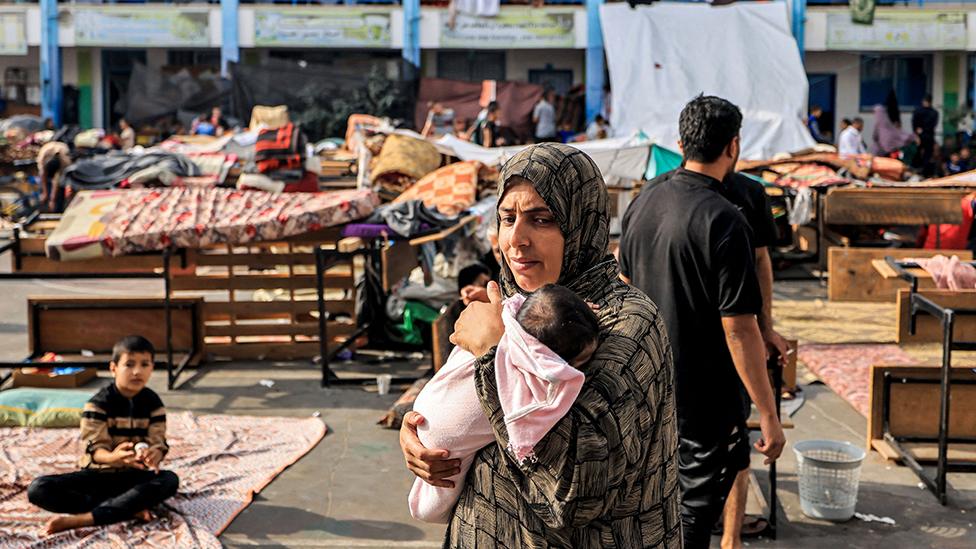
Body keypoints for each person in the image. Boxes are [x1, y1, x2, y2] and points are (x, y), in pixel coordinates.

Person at [400, 143, 681, 548]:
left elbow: (576, 492)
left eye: (542, 219)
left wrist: (493, 356)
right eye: (507, 218)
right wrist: (419, 434)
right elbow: (460, 404)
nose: (516, 240)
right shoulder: (506, 306)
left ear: (581, 223)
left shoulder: (624, 327)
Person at [618, 95, 786, 549]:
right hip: (704, 398)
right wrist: (769, 414)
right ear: (733, 146)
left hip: (646, 387)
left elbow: (624, 287)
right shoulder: (725, 219)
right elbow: (739, 328)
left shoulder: (644, 200)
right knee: (691, 517)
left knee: (652, 505)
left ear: (682, 142)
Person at [410, 284, 598, 523]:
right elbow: (532, 423)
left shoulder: (510, 313)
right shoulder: (528, 372)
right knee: (428, 508)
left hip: (430, 402)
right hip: (445, 439)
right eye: (580, 360)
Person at [27, 336, 178, 536]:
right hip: (99, 477)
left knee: (169, 479)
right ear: (113, 368)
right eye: (129, 364)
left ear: (152, 368)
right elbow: (95, 451)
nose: (137, 371)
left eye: (145, 365)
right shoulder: (98, 404)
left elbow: (158, 442)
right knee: (39, 488)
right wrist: (114, 457)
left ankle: (84, 519)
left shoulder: (153, 402)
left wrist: (154, 455)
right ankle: (127, 509)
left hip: (134, 478)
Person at [718, 171, 791, 548]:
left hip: (719, 336)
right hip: (714, 337)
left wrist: (765, 327)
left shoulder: (748, 195)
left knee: (730, 439)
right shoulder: (666, 194)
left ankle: (730, 536)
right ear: (734, 144)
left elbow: (761, 261)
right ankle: (728, 536)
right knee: (727, 442)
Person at [36, 140, 72, 213]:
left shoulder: (64, 162)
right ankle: (45, 210)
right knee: (43, 193)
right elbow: (43, 175)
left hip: (61, 162)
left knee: (60, 192)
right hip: (47, 155)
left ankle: (58, 210)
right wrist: (45, 193)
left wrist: (53, 200)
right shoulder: (42, 159)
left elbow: (56, 182)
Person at [913, 94, 940, 176]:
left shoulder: (918, 111)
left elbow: (914, 123)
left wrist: (917, 134)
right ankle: (925, 172)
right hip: (929, 136)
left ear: (923, 101)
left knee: (917, 153)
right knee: (927, 155)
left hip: (920, 136)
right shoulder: (934, 113)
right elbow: (933, 125)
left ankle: (917, 171)